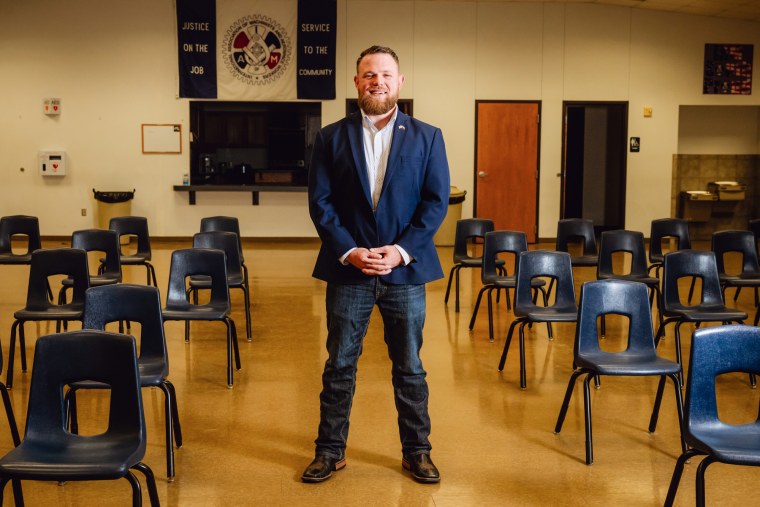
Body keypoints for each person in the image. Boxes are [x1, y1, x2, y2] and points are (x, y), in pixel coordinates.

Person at [302, 45, 450, 484]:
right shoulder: (331, 137)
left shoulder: (428, 136)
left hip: (404, 273)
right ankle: (329, 451)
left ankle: (417, 452)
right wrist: (348, 250)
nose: (377, 81)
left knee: (410, 367)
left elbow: (434, 202)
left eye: (386, 74)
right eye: (369, 74)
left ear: (400, 82)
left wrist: (401, 250)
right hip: (349, 272)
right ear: (357, 82)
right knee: (339, 365)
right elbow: (321, 202)